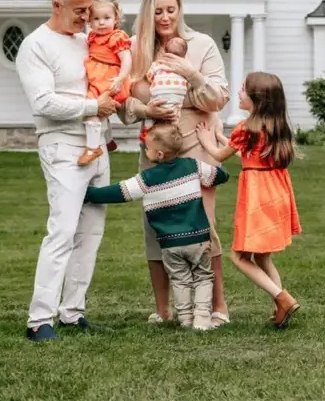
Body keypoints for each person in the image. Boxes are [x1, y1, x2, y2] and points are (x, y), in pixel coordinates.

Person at [116, 0, 231, 326]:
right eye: (158, 10)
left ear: (180, 9)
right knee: (156, 228)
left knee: (204, 226)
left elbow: (218, 98)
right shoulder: (135, 48)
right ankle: (164, 310)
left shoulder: (202, 44)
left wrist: (190, 76)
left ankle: (218, 307)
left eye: (171, 9)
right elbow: (123, 103)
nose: (165, 17)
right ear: (148, 12)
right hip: (156, 147)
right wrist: (146, 108)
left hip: (196, 141)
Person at [15, 0, 120, 342]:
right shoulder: (35, 46)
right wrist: (94, 105)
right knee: (61, 230)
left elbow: (106, 82)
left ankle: (72, 313)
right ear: (56, 5)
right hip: (62, 146)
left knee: (90, 232)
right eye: (79, 11)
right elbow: (43, 103)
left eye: (89, 10)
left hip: (97, 146)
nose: (85, 17)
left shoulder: (87, 41)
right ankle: (39, 320)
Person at [83, 123, 230, 331]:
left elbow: (119, 192)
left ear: (159, 154)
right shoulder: (192, 166)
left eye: (147, 147)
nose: (145, 150)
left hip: (170, 244)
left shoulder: (147, 180)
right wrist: (219, 168)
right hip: (198, 238)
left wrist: (88, 193)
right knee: (203, 277)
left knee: (180, 279)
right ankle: (202, 319)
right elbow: (220, 176)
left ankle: (186, 318)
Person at [196, 72, 301, 329]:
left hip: (258, 196)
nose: (239, 93)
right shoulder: (275, 126)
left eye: (243, 90)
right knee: (263, 257)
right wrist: (223, 138)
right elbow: (246, 150)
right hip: (276, 192)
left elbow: (221, 155)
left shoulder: (246, 127)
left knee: (239, 256)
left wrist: (206, 141)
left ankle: (282, 298)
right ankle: (280, 309)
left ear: (257, 99)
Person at [79, 0, 132, 166]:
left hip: (111, 81)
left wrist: (120, 78)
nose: (101, 22)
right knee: (99, 112)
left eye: (106, 18)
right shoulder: (92, 38)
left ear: (116, 19)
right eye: (96, 19)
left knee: (92, 112)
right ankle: (108, 140)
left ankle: (93, 147)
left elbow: (126, 60)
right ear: (89, 21)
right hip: (97, 80)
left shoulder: (116, 37)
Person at [139, 36, 189, 143]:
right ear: (184, 55)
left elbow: (149, 76)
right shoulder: (185, 66)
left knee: (152, 112)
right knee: (175, 115)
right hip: (177, 96)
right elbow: (189, 78)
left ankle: (147, 130)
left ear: (165, 52)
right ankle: (173, 133)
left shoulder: (158, 64)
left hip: (160, 95)